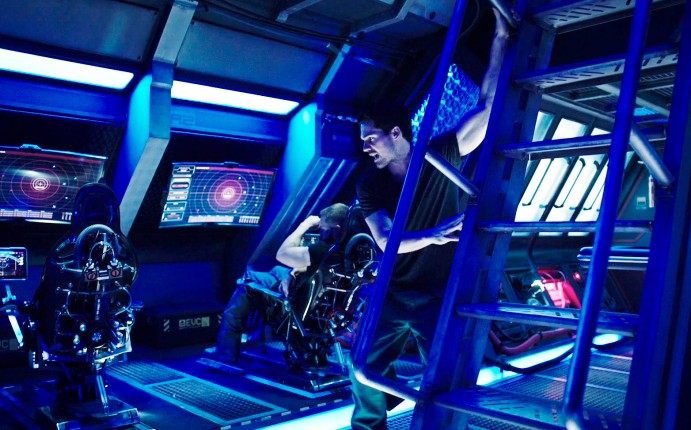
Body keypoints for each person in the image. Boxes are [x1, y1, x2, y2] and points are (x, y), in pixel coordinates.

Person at [350, 9, 512, 429]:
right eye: (363, 141)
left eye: (371, 138)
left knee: (444, 376)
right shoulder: (370, 184)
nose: (365, 147)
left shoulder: (440, 155)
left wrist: (499, 38)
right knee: (362, 365)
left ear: (397, 134)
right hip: (392, 291)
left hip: (438, 293)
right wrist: (434, 235)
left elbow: (488, 107)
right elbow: (385, 240)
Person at [214, 202, 349, 364]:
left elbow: (282, 253)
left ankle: (226, 353)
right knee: (279, 270)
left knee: (247, 281)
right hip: (321, 301)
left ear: (337, 229)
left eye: (324, 228)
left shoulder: (321, 251)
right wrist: (296, 271)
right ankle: (254, 337)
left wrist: (304, 225)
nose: (320, 232)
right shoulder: (348, 250)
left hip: (295, 302)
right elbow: (319, 269)